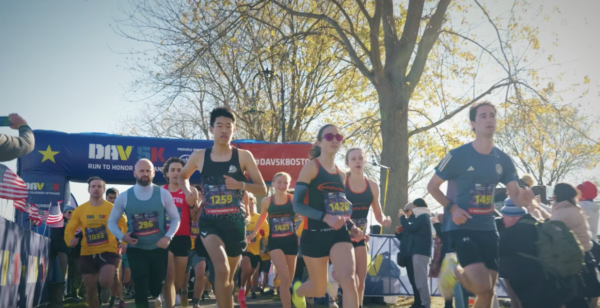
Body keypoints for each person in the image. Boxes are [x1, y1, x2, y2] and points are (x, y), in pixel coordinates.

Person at [427, 101, 533, 308]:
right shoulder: (456, 156)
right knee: (480, 285)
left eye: (492, 115)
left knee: (488, 291)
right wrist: (452, 208)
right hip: (460, 226)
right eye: (483, 116)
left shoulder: (504, 159)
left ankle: (455, 270)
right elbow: (432, 187)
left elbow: (515, 195)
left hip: (487, 228)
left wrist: (525, 199)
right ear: (473, 124)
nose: (489, 119)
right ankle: (453, 269)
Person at [177, 107, 267, 308]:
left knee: (228, 279)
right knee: (222, 268)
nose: (224, 130)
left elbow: (262, 189)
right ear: (211, 129)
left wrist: (241, 185)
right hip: (210, 222)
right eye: (220, 126)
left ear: (234, 130)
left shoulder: (243, 156)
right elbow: (182, 176)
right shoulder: (200, 156)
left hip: (235, 224)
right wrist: (188, 191)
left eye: (228, 126)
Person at [291, 124, 363, 308]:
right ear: (319, 142)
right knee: (318, 289)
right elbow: (297, 204)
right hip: (313, 235)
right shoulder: (311, 167)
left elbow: (339, 209)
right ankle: (297, 291)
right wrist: (324, 217)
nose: (334, 140)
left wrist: (352, 226)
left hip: (338, 235)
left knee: (349, 280)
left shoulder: (341, 174)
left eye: (338, 137)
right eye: (329, 136)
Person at [107, 159, 182, 308]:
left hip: (158, 248)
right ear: (135, 173)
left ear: (154, 173)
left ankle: (156, 294)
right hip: (137, 249)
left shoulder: (162, 193)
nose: (145, 174)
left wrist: (168, 237)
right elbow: (111, 222)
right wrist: (123, 237)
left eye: (148, 171)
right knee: (140, 283)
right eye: (141, 171)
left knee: (155, 287)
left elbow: (175, 218)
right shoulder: (124, 196)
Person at [498, 199, 575, 308]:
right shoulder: (541, 225)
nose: (502, 220)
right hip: (559, 283)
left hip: (532, 288)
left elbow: (504, 266)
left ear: (512, 217)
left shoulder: (510, 233)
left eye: (504, 217)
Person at [64, 177, 127, 308]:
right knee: (90, 289)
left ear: (103, 190)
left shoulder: (112, 208)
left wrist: (123, 241)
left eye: (99, 187)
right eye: (93, 186)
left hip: (108, 250)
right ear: (88, 190)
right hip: (87, 252)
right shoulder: (80, 210)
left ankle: (105, 288)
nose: (96, 189)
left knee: (105, 281)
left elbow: (124, 225)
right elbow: (70, 228)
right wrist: (70, 240)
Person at [344, 148, 391, 306]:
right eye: (353, 159)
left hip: (360, 237)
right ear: (347, 163)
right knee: (349, 280)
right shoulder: (342, 182)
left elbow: (378, 214)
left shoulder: (372, 185)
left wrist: (384, 220)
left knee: (360, 281)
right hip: (341, 235)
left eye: (360, 158)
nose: (357, 161)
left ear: (364, 162)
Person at [248, 172, 299, 308]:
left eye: (285, 183)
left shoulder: (293, 200)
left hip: (291, 242)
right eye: (279, 182)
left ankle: (287, 296)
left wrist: (301, 235)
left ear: (289, 185)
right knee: (285, 276)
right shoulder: (267, 201)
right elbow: (262, 218)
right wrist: (253, 234)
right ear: (273, 183)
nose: (282, 185)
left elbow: (303, 218)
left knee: (288, 281)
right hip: (275, 242)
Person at [550, 183, 600, 308]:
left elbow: (550, 231)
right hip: (584, 256)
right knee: (582, 297)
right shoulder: (573, 208)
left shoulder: (563, 212)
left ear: (557, 196)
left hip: (573, 261)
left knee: (574, 300)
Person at [161, 157, 200, 308]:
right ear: (167, 173)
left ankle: (170, 297)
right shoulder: (160, 191)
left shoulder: (191, 191)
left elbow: (194, 218)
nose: (176, 173)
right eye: (172, 170)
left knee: (177, 281)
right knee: (169, 275)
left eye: (179, 170)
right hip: (166, 237)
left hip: (184, 238)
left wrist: (192, 206)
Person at [399, 199, 433, 308]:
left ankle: (426, 304)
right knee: (419, 280)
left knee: (421, 281)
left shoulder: (423, 216)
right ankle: (425, 303)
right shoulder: (422, 216)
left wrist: (402, 218)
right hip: (418, 251)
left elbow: (411, 228)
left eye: (412, 208)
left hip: (420, 251)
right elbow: (411, 228)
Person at [239, 192, 269, 307]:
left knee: (249, 276)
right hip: (243, 249)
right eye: (248, 203)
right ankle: (241, 288)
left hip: (256, 252)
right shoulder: (240, 216)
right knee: (245, 269)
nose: (250, 206)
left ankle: (243, 300)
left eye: (252, 204)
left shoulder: (259, 218)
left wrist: (263, 242)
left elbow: (267, 234)